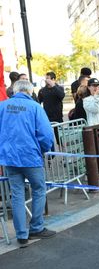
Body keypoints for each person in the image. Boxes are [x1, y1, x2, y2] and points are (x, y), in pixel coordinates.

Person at [0, 80, 56, 246]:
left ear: (14, 91)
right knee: (39, 189)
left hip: (10, 158)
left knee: (17, 194)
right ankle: (36, 227)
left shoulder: (3, 106)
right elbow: (46, 134)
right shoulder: (35, 108)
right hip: (30, 156)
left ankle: (21, 234)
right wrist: (44, 150)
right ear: (30, 92)